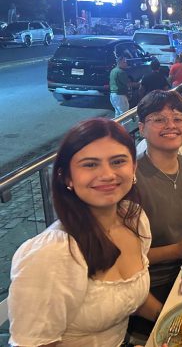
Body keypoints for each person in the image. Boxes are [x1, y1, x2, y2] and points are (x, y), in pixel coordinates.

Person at [9, 118, 153, 345]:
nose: (107, 174)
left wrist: (175, 318)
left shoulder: (133, 218)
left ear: (133, 167)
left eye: (118, 161)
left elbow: (132, 297)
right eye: (90, 164)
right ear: (67, 176)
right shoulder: (53, 253)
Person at [131, 90, 182, 336]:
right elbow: (123, 261)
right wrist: (177, 250)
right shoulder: (131, 180)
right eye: (159, 119)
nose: (171, 126)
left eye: (178, 118)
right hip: (151, 288)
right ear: (142, 127)